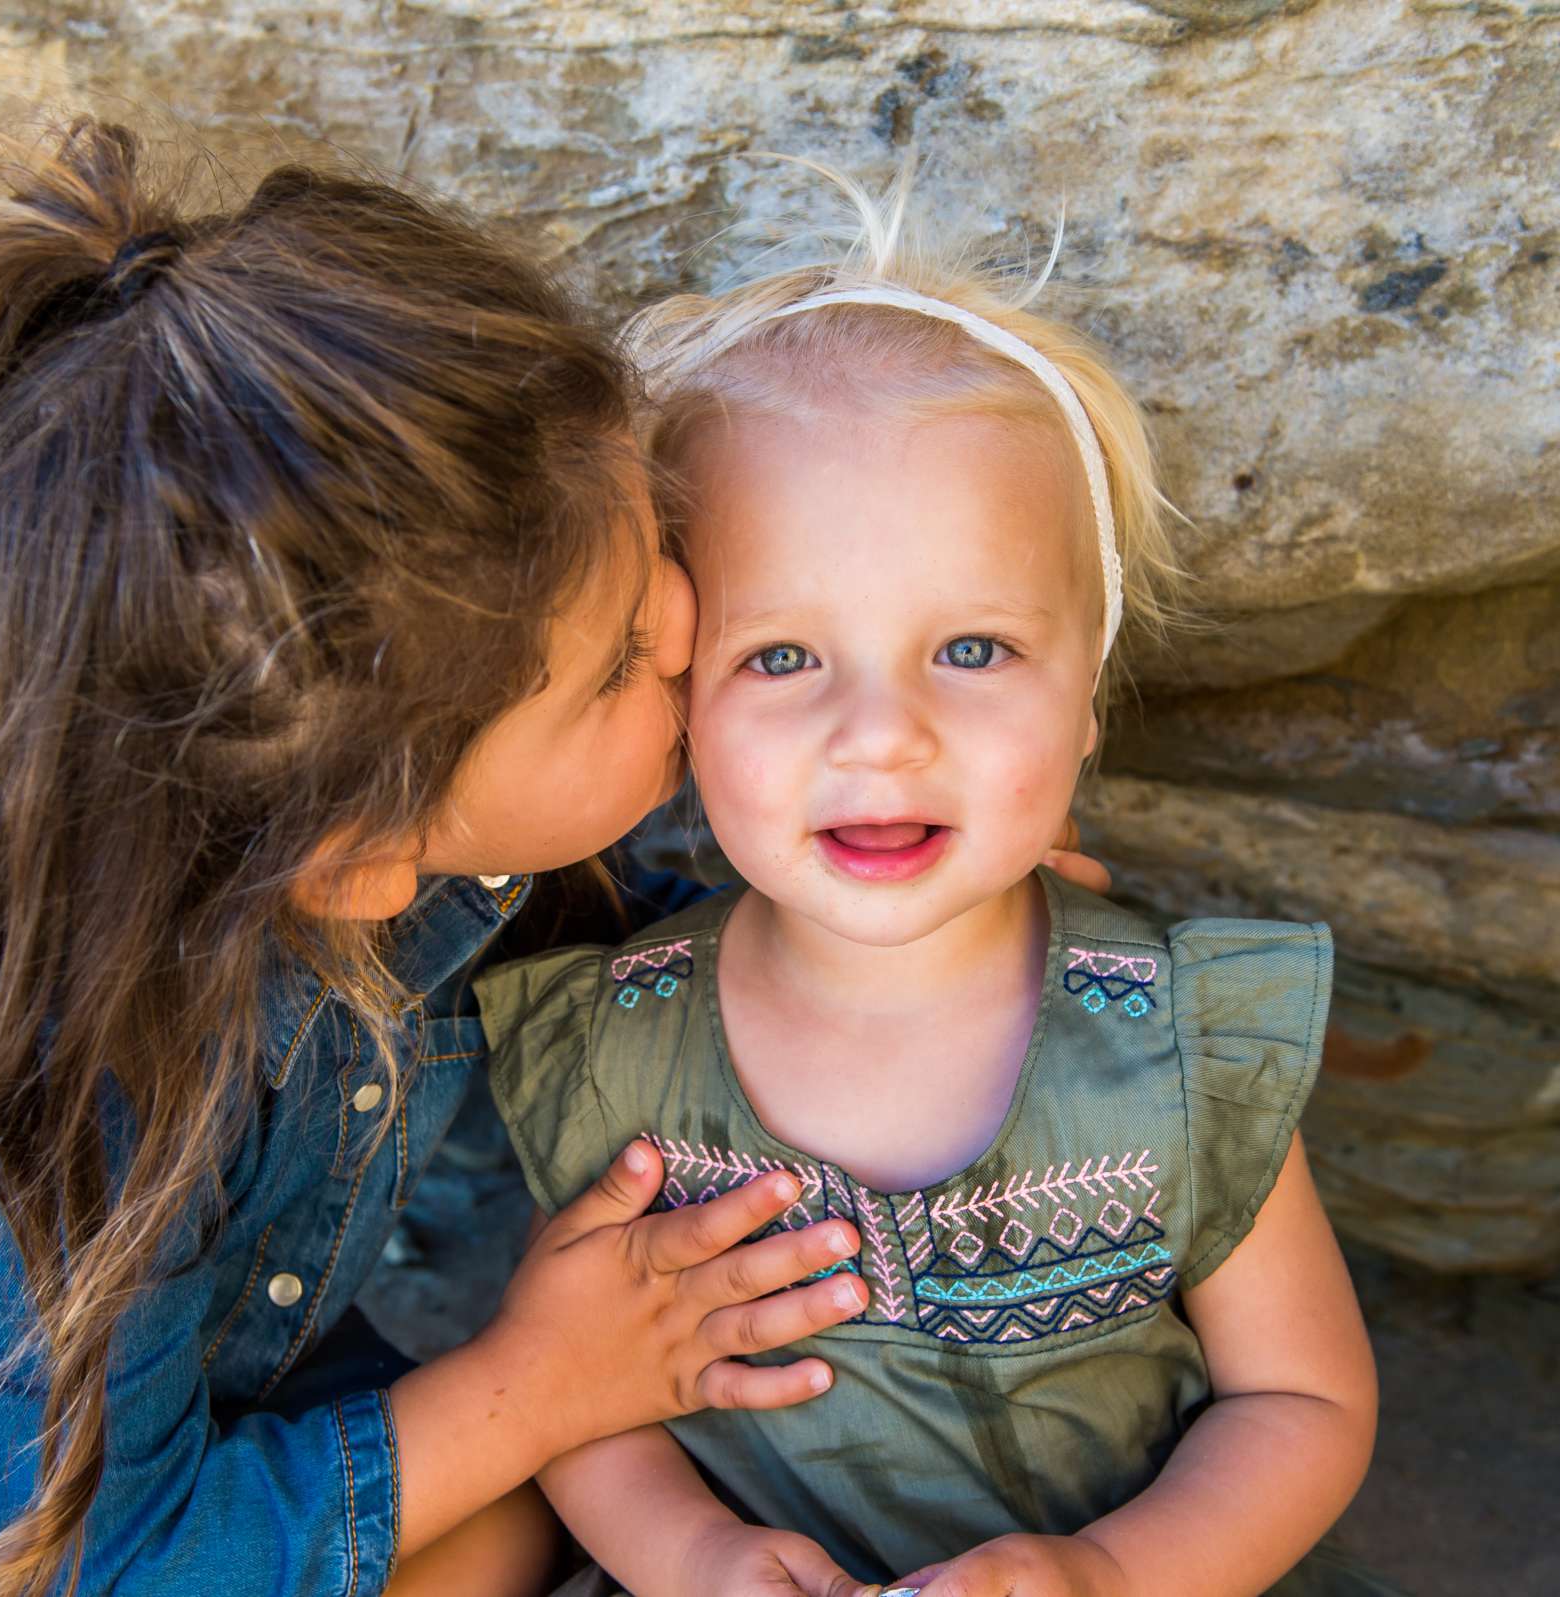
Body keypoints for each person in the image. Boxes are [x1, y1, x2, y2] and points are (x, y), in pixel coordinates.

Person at [0, 122, 904, 1597]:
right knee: (485, 1486)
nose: (688, 623)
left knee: (488, 1524)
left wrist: (883, 913)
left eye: (655, 554)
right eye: (619, 663)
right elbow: (117, 1558)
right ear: (350, 858)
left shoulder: (268, 832)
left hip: (109, 1425)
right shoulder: (50, 1092)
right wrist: (540, 1382)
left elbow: (603, 955)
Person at [479, 169, 1388, 1597]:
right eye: (781, 657)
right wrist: (697, 1554)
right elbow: (562, 1388)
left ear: (1087, 697)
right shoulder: (621, 1045)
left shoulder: (1171, 1041)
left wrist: (1109, 1576)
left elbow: (1304, 1402)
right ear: (674, 700)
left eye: (971, 648)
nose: (882, 732)